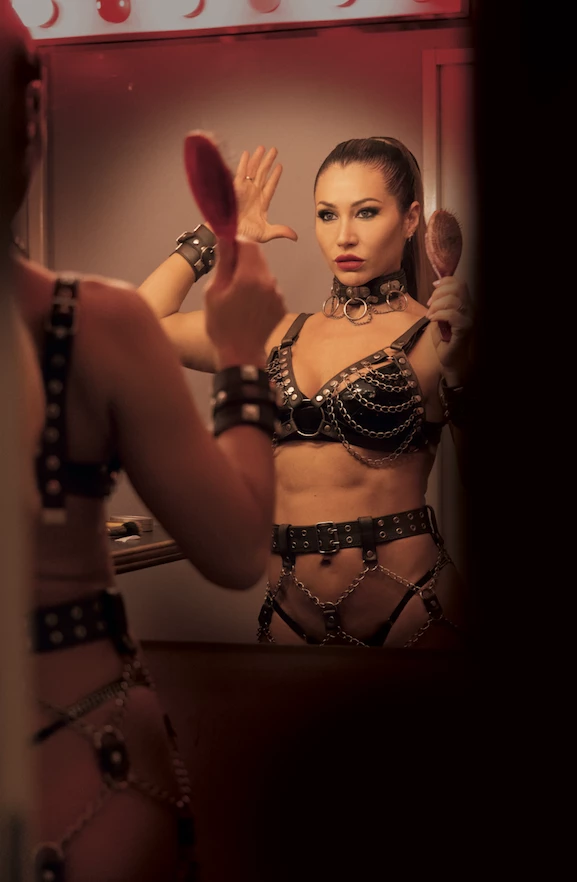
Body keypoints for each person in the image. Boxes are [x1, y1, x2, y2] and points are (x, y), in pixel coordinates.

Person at [1, 6, 285, 881]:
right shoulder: (92, 325)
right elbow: (237, 550)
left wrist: (207, 244)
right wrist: (241, 354)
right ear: (33, 114)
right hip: (83, 781)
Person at [139, 136, 474, 650]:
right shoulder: (273, 331)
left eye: (366, 212)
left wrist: (462, 375)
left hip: (413, 612)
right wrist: (216, 233)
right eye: (326, 215)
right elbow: (141, 325)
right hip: (290, 619)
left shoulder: (439, 337)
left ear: (410, 221)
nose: (344, 235)